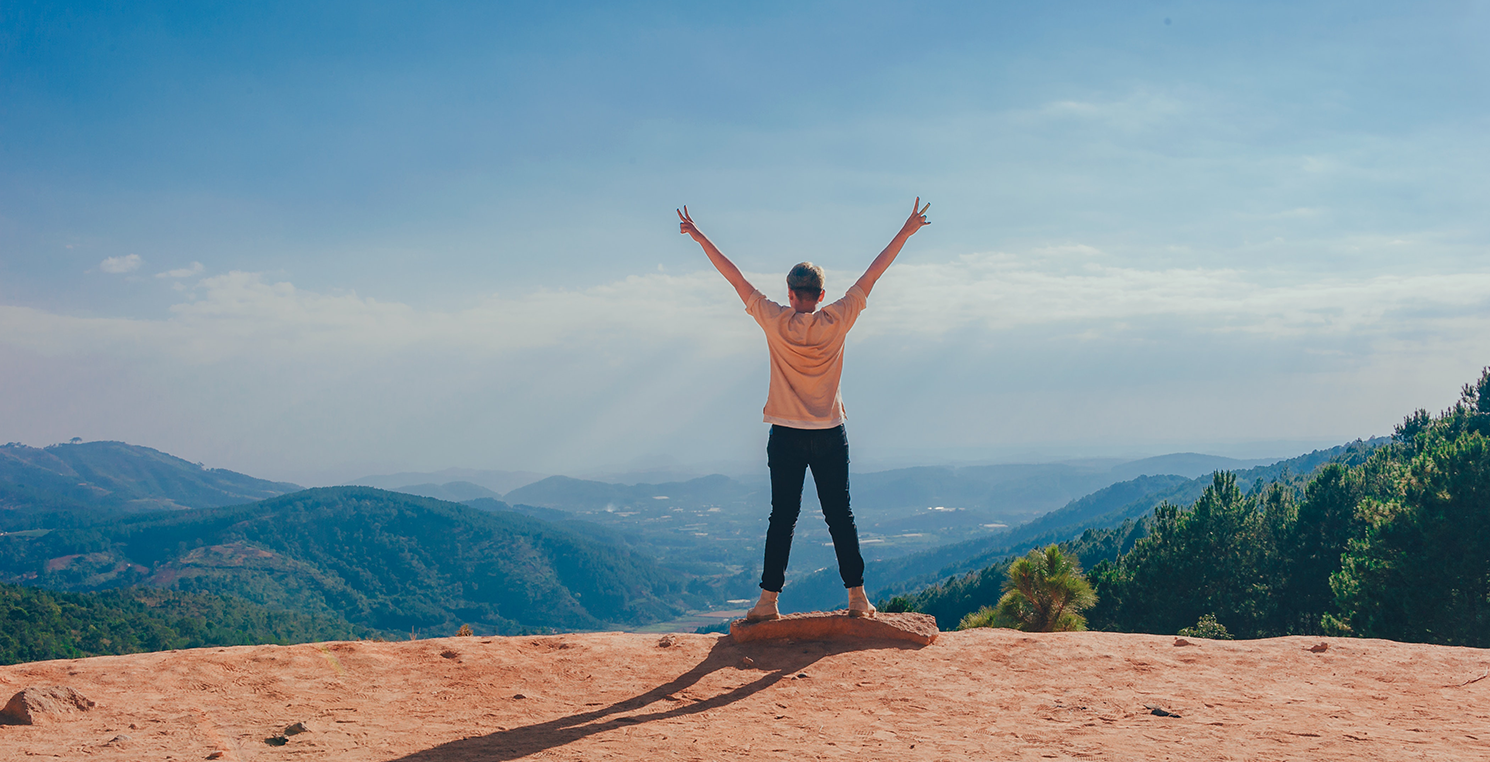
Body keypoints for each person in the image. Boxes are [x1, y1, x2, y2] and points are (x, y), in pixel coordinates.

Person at [677, 198, 932, 621]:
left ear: (791, 294)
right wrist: (906, 230)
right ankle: (857, 599)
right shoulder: (839, 318)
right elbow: (874, 273)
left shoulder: (775, 320)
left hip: (787, 433)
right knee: (840, 517)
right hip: (831, 431)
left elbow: (735, 278)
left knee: (783, 518)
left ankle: (767, 602)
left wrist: (701, 237)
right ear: (822, 295)